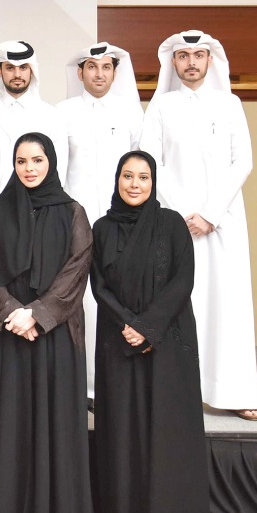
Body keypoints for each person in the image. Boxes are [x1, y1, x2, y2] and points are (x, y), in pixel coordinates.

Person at [91, 151, 215, 513]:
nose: (134, 184)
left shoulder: (171, 224)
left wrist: (147, 327)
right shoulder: (103, 228)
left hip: (167, 343)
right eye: (127, 176)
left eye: (143, 177)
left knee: (165, 432)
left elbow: (183, 280)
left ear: (153, 181)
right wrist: (128, 324)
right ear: (117, 179)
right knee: (124, 432)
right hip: (118, 341)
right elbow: (98, 285)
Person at [0, 132, 93, 513]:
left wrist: (38, 315)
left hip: (55, 334)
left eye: (37, 160)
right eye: (22, 161)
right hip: (9, 337)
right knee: (10, 422)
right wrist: (11, 313)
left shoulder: (73, 211)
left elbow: (77, 269)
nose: (29, 168)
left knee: (54, 421)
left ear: (51, 162)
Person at [139, 30, 257, 421]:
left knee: (228, 305)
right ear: (172, 63)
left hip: (222, 224)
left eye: (199, 55)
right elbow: (148, 163)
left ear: (211, 61)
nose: (191, 62)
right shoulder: (160, 107)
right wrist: (181, 214)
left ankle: (234, 392)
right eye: (183, 56)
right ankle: (180, 394)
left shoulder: (231, 103)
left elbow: (242, 161)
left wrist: (209, 213)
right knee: (179, 304)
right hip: (174, 225)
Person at [56, 43, 143, 401]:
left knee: (116, 295)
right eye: (92, 67)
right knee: (79, 300)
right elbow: (57, 169)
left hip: (120, 224)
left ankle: (113, 382)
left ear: (115, 72)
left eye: (106, 67)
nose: (99, 74)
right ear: (80, 73)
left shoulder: (132, 112)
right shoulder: (62, 112)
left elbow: (142, 169)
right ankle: (83, 384)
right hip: (75, 222)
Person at [0, 41, 68, 199]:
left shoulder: (51, 116)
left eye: (23, 67)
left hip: (40, 208)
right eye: (10, 68)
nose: (17, 75)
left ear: (31, 70)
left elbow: (58, 169)